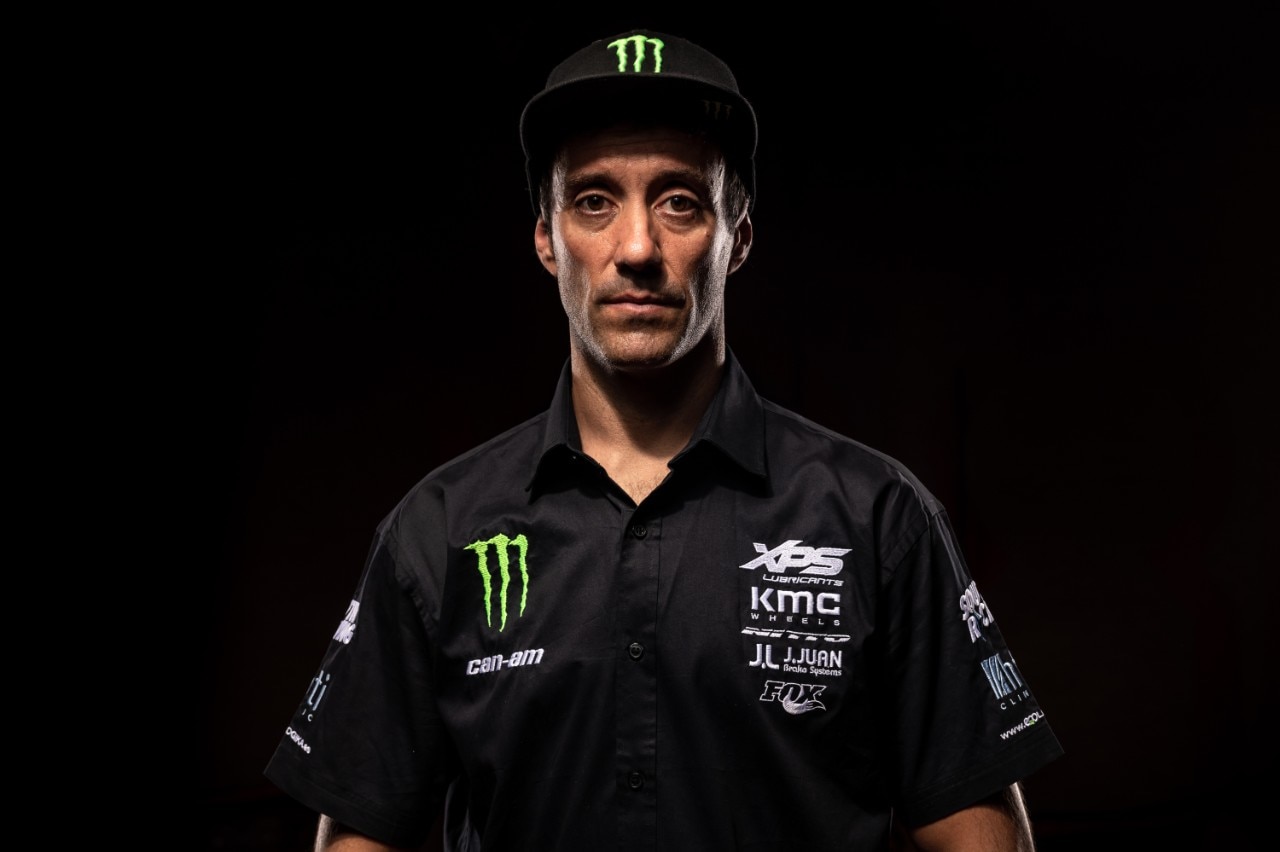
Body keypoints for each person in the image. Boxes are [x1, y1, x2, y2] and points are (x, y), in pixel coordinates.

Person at [264, 28, 1064, 851]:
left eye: (680, 201)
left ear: (737, 237)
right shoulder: (440, 531)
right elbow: (360, 835)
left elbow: (977, 831)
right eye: (594, 201)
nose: (638, 249)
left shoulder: (877, 519)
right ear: (546, 240)